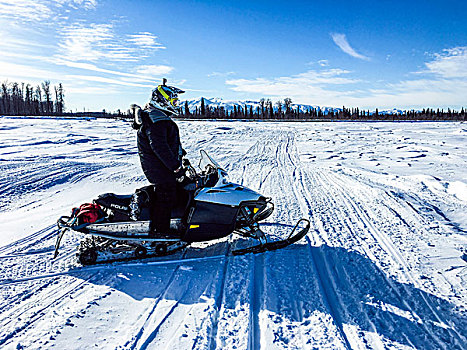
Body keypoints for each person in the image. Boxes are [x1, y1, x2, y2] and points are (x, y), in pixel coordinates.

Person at [131, 79, 186, 236]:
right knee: (166, 196)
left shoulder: (157, 117)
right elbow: (159, 147)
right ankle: (159, 232)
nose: (176, 104)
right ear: (161, 100)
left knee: (172, 192)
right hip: (159, 167)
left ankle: (170, 223)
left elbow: (166, 143)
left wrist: (181, 154)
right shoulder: (157, 120)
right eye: (173, 100)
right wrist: (176, 167)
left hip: (159, 166)